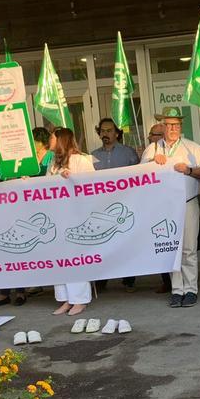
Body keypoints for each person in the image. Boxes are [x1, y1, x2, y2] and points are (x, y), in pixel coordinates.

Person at [142, 107, 200, 308]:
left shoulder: (193, 148)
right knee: (172, 249)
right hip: (164, 207)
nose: (173, 128)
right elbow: (141, 176)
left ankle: (191, 290)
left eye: (177, 124)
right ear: (162, 126)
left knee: (188, 248)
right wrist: (153, 162)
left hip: (188, 203)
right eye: (169, 124)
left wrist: (187, 169)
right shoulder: (152, 150)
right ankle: (177, 290)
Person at [48, 127, 96, 316]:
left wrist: (73, 179)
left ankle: (80, 299)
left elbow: (93, 184)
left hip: (76, 216)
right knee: (60, 259)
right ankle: (66, 298)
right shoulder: (53, 162)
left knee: (75, 259)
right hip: (57, 216)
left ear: (60, 140)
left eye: (52, 137)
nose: (49, 140)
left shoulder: (81, 160)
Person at [92, 117, 140, 292]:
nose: (105, 134)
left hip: (125, 206)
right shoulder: (92, 156)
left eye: (109, 130)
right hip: (101, 207)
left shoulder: (128, 153)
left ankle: (129, 280)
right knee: (102, 244)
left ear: (117, 133)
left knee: (125, 243)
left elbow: (139, 177)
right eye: (102, 131)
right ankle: (102, 280)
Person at [145, 123, 172, 294]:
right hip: (156, 205)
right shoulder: (151, 149)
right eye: (150, 134)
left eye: (153, 134)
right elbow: (141, 171)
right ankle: (167, 282)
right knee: (162, 243)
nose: (150, 137)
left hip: (174, 204)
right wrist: (150, 161)